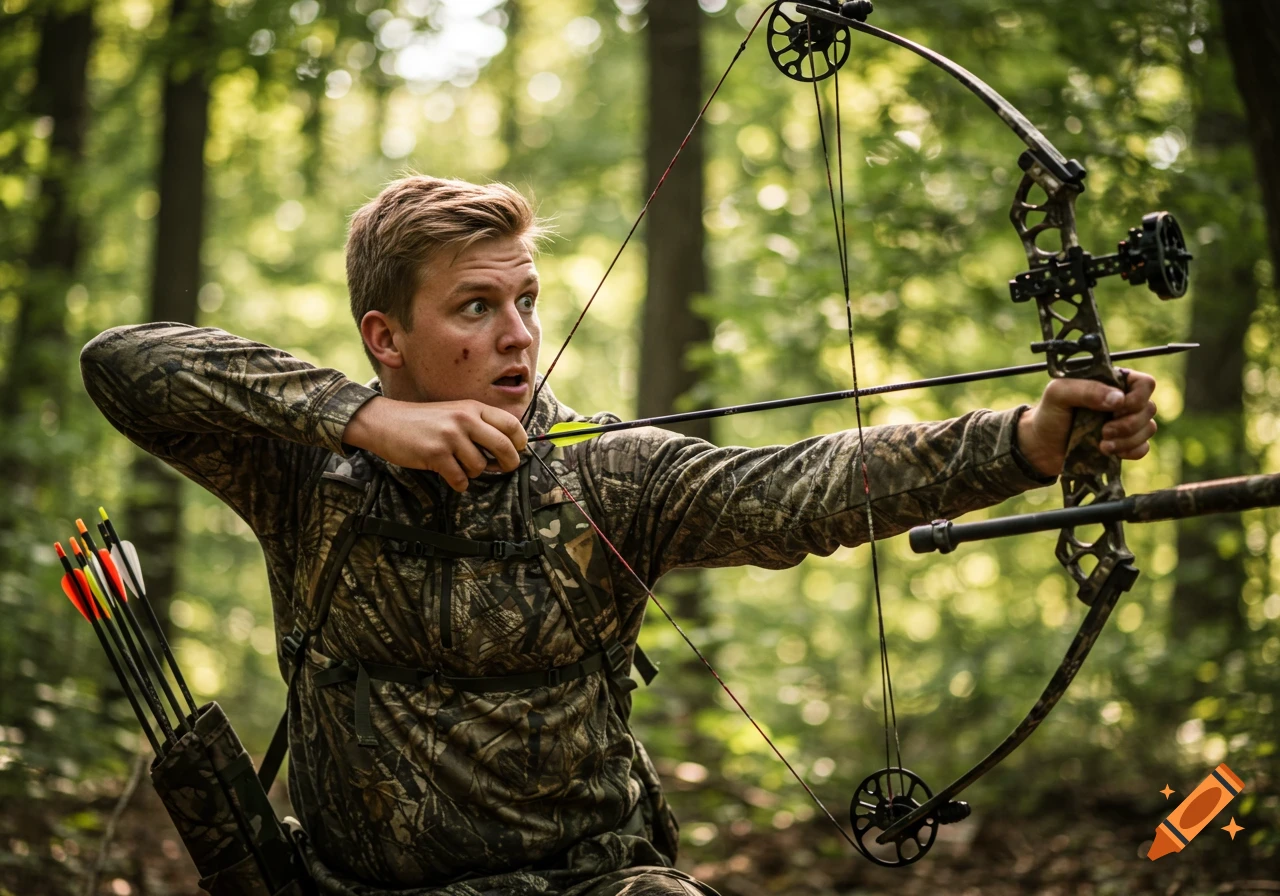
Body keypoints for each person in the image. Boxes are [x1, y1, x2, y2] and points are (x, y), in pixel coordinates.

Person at [81, 175, 1158, 896]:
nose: (517, 335)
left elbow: (800, 488)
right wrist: (363, 421)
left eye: (527, 299)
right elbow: (121, 363)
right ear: (386, 337)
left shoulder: (607, 473)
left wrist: (1023, 441)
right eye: (473, 308)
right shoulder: (303, 474)